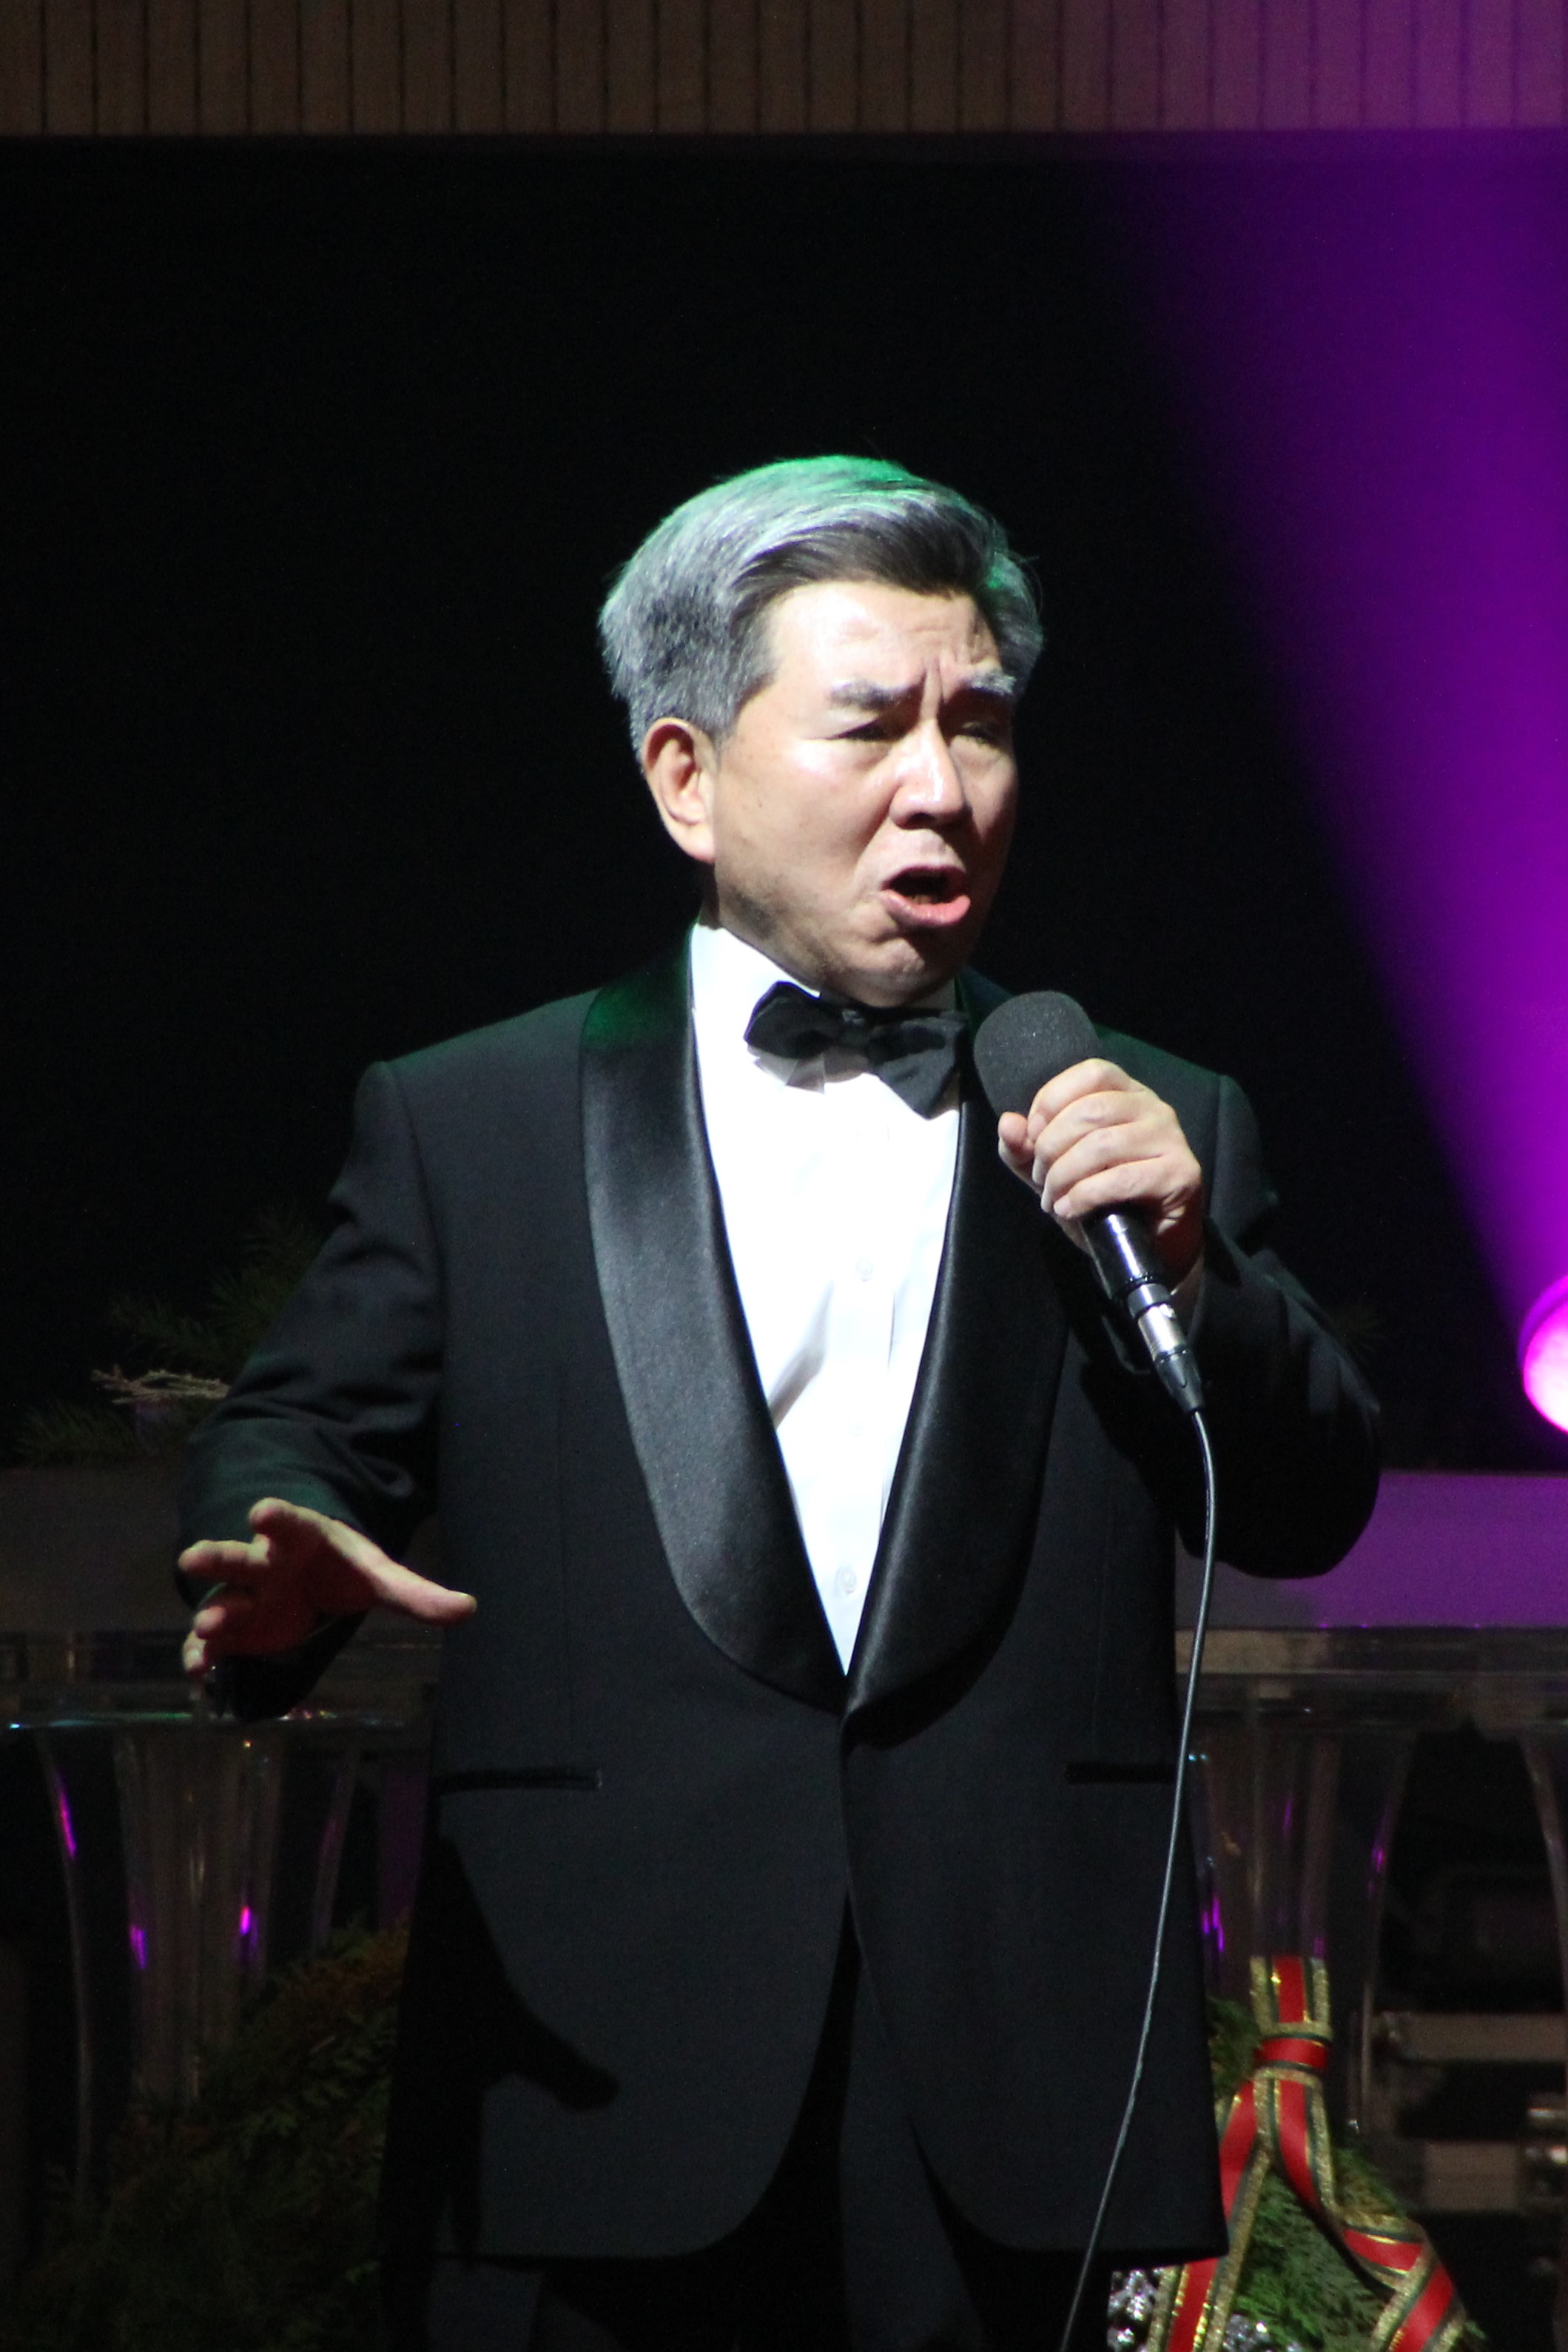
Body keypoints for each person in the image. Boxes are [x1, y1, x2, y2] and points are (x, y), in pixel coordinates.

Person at [178, 457, 1379, 2352]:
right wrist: (272, 1551)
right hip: (587, 2075)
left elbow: (1308, 1496)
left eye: (980, 723)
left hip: (1008, 2083)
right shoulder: (472, 1122)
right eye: (871, 724)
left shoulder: (1149, 1121)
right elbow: (303, 1430)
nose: (942, 784)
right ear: (686, 776)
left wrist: (1195, 1274)